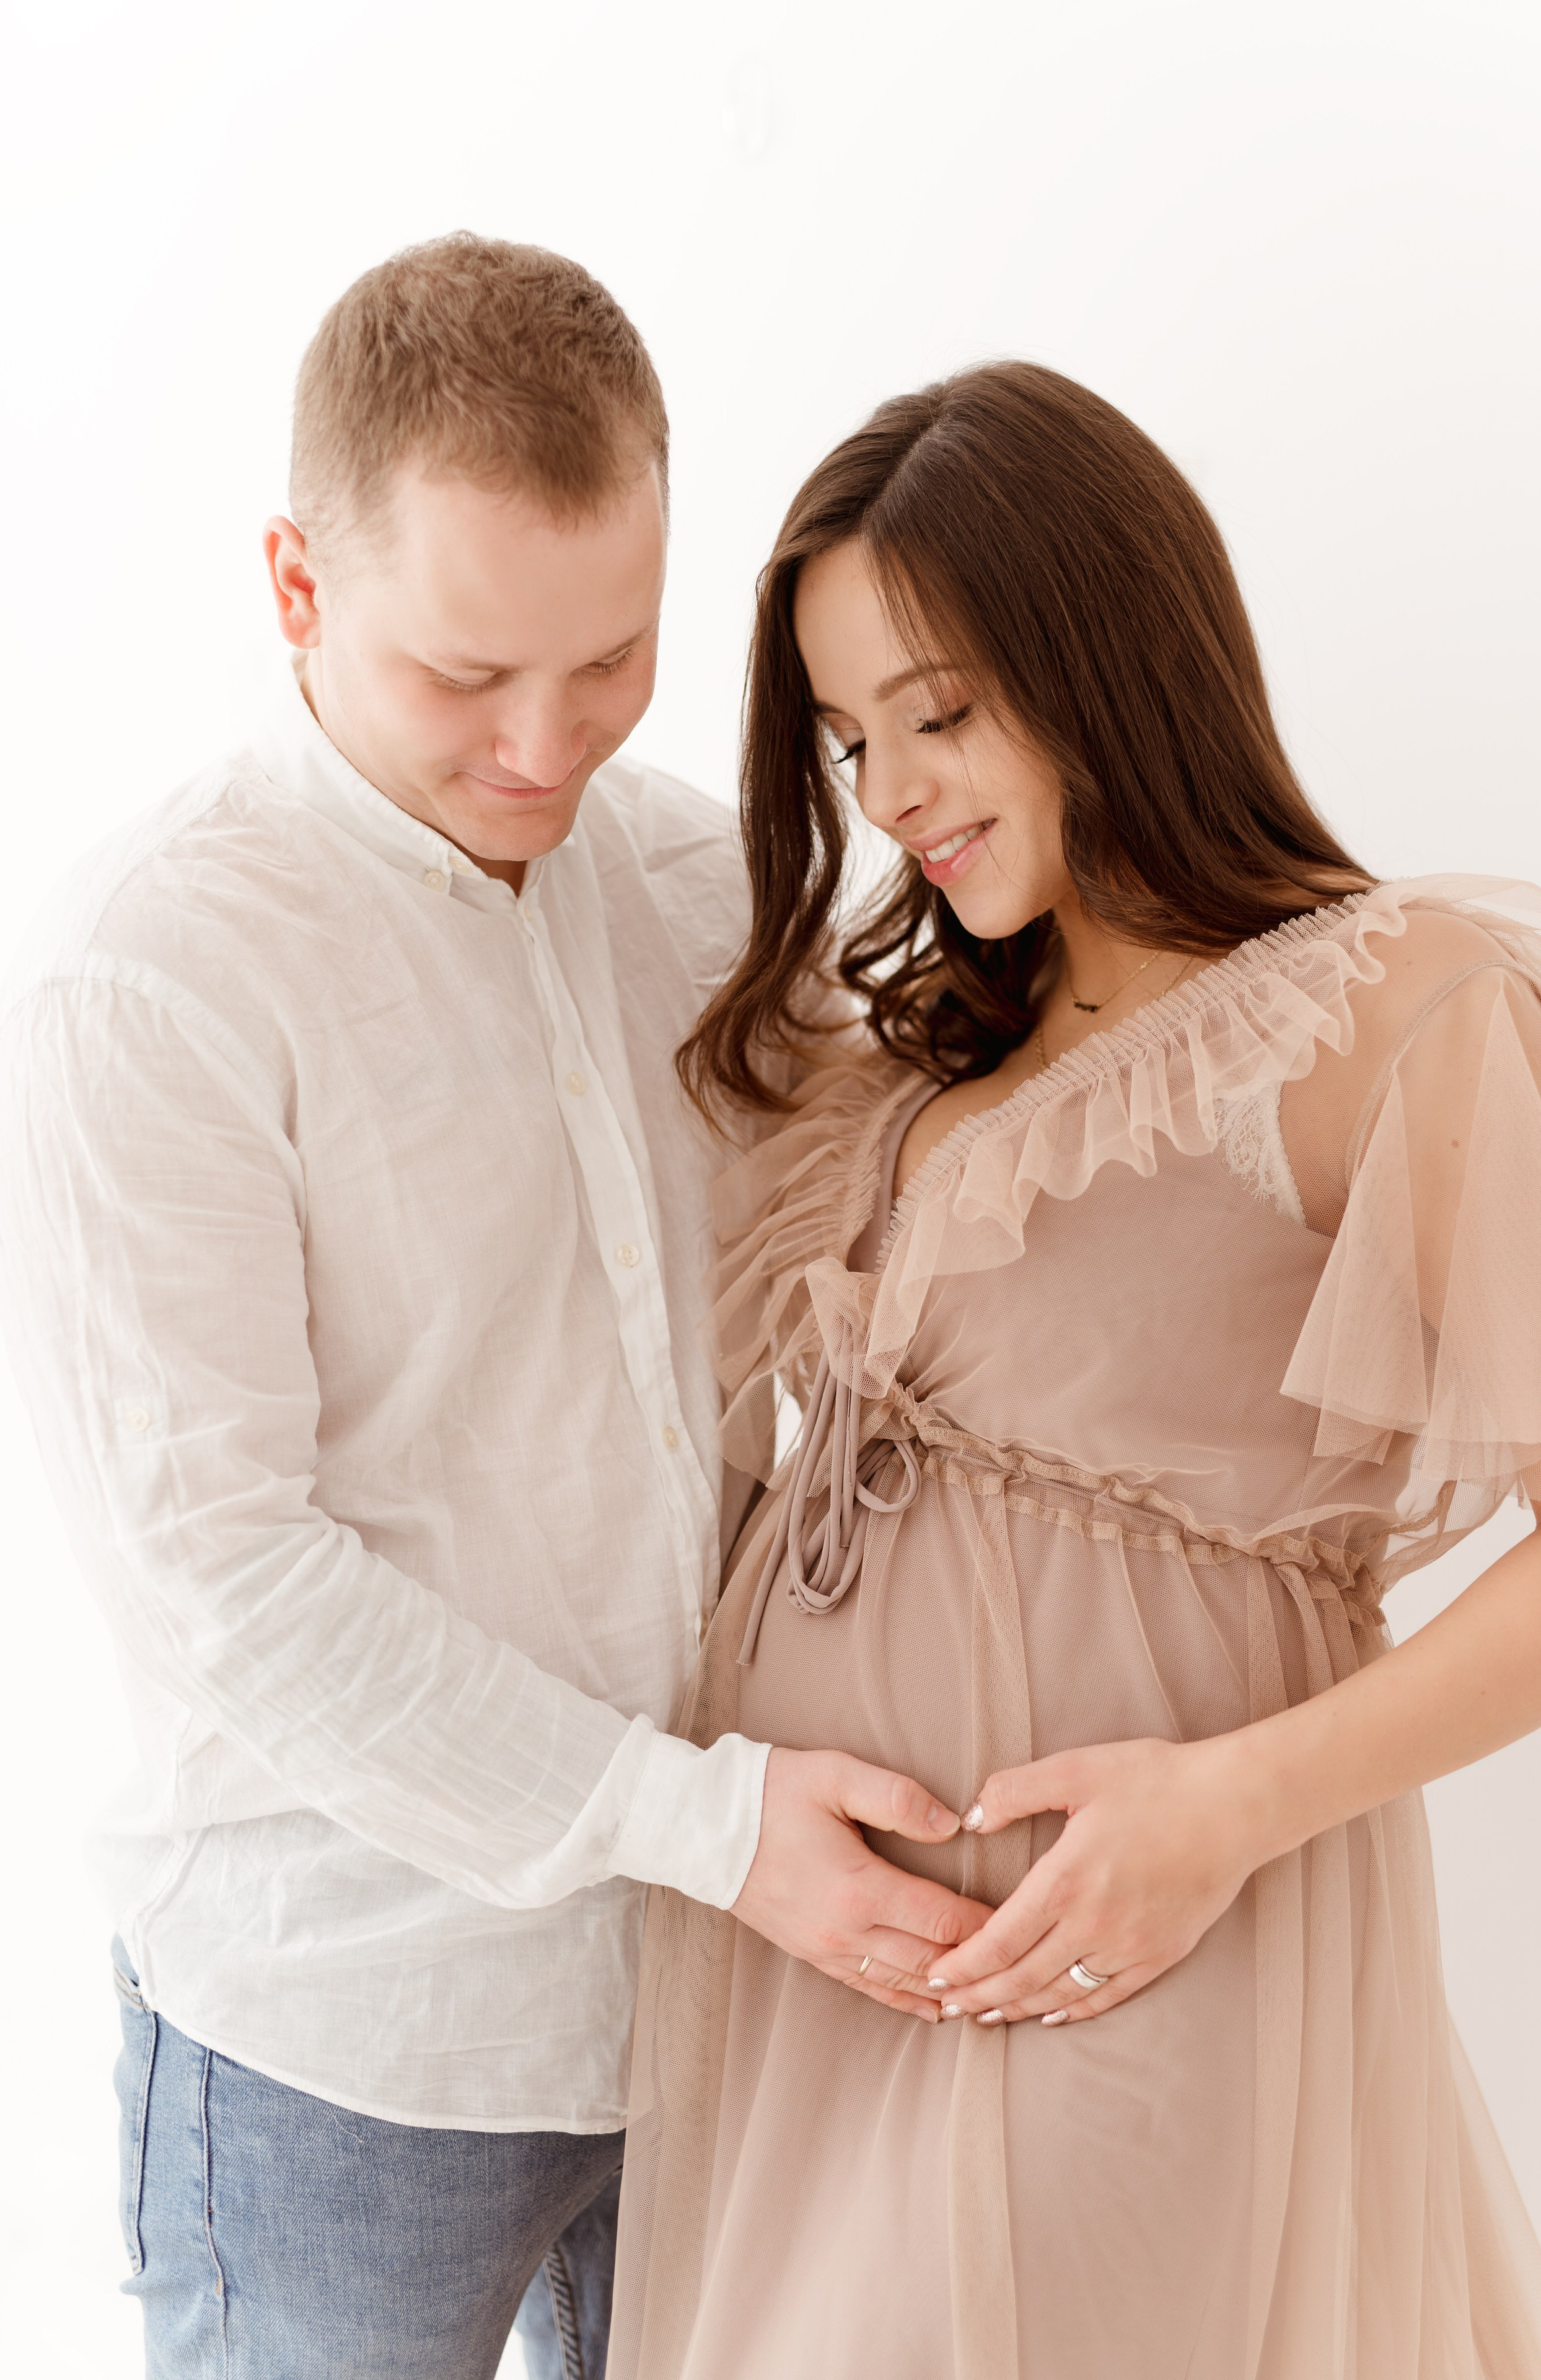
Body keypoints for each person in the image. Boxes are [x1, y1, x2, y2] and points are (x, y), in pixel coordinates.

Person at [0, 235, 985, 2380]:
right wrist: (714, 1828)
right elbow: (232, 1588)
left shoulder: (708, 894)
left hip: (722, 2008)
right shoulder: (148, 983)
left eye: (613, 656)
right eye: (464, 677)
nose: (545, 745)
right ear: (294, 591)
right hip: (344, 2038)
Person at [607, 362, 1541, 2379]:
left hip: (1136, 1971)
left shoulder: (1400, 1016)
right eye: (852, 736)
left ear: (1115, 649)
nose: (893, 794)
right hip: (820, 1983)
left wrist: (1226, 1809)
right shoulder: (925, 1060)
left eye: (943, 711)